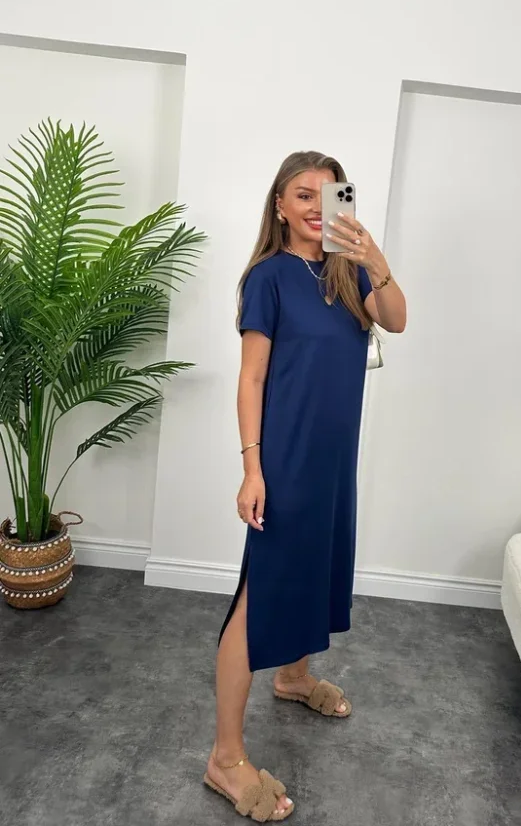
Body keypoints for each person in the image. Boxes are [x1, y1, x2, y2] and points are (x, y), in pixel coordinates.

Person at [204, 151, 407, 821]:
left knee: (318, 571)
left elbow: (398, 319)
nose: (318, 207)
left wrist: (373, 256)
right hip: (286, 460)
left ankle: (292, 677)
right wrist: (252, 468)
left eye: (330, 194)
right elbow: (251, 378)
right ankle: (225, 757)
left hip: (333, 461)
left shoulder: (350, 273)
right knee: (260, 592)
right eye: (303, 194)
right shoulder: (268, 277)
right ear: (280, 206)